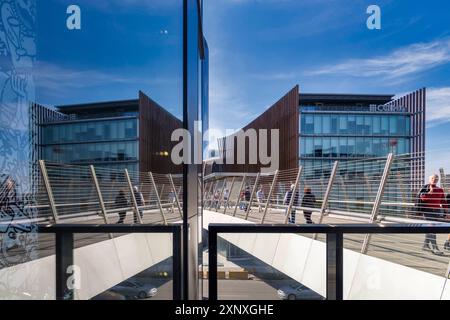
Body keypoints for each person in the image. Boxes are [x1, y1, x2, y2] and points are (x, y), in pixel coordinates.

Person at [417, 174, 446, 255]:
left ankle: (425, 245)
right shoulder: (425, 188)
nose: (434, 179)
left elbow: (443, 201)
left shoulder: (440, 190)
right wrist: (430, 192)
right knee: (432, 229)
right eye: (433, 178)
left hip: (437, 211)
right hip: (427, 211)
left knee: (431, 229)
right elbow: (423, 199)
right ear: (429, 179)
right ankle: (435, 248)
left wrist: (447, 212)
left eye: (436, 178)